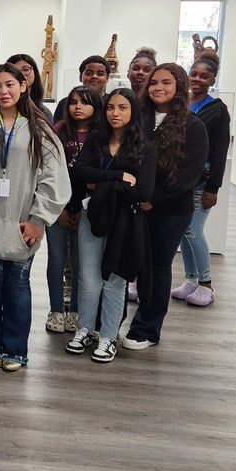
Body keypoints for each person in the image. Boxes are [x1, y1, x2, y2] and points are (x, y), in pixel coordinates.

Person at [0, 64, 69, 371]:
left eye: (10, 84)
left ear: (23, 86)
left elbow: (53, 178)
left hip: (23, 224)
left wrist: (39, 219)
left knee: (18, 290)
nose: (3, 91)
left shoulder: (39, 129)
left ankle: (16, 349)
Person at [123, 63, 209, 351]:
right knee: (135, 265)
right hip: (135, 204)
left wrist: (151, 199)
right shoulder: (138, 119)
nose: (158, 88)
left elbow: (187, 177)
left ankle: (147, 328)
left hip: (170, 210)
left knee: (157, 267)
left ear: (179, 87)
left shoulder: (193, 126)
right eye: (154, 82)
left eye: (166, 83)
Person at [67, 88, 156, 364]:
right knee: (88, 279)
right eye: (110, 108)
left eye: (122, 108)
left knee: (115, 281)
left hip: (125, 221)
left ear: (133, 112)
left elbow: (143, 191)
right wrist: (118, 177)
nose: (115, 113)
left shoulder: (146, 145)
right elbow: (80, 174)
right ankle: (84, 329)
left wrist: (101, 184)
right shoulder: (96, 140)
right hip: (93, 216)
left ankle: (107, 336)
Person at [175, 49, 230, 308]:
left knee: (192, 230)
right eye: (193, 74)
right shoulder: (180, 105)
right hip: (180, 179)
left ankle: (206, 284)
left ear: (213, 80)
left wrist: (213, 187)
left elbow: (220, 151)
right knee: (185, 232)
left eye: (204, 76)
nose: (197, 79)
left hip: (202, 179)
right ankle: (190, 280)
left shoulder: (218, 110)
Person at [45, 85, 102, 335]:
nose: (77, 107)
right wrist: (58, 208)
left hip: (86, 208)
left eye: (85, 102)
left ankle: (76, 310)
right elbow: (48, 172)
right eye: (73, 102)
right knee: (56, 260)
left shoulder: (101, 135)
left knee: (80, 264)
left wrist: (80, 207)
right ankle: (56, 310)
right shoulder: (58, 131)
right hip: (57, 206)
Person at [54, 55, 111, 121]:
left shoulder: (111, 102)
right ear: (80, 77)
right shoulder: (65, 103)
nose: (94, 76)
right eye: (89, 73)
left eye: (100, 74)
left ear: (107, 78)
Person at [7, 53, 53, 123]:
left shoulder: (43, 113)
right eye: (16, 71)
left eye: (26, 69)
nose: (22, 74)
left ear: (35, 72)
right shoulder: (2, 107)